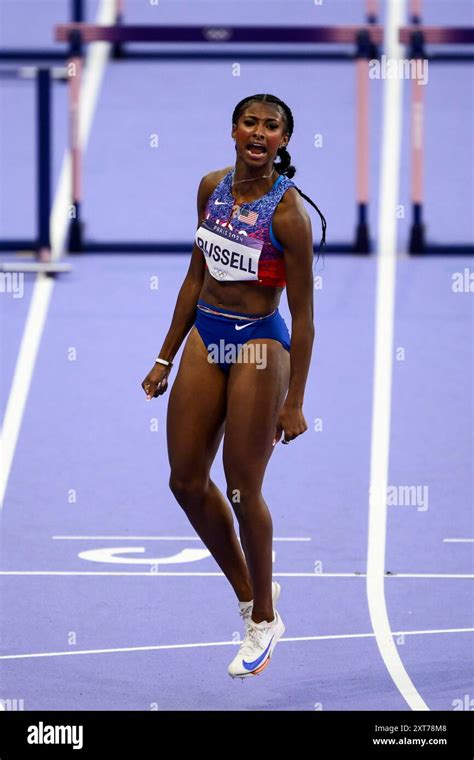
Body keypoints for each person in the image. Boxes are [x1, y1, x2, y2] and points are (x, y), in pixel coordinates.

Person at [141, 93, 326, 679]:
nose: (259, 132)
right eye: (251, 121)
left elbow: (305, 316)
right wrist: (164, 355)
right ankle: (251, 599)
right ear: (233, 129)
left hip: (259, 344)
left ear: (283, 143)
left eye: (272, 127)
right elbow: (195, 273)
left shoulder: (289, 216)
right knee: (186, 479)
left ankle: (265, 619)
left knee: (242, 487)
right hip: (207, 333)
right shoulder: (210, 188)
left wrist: (295, 399)